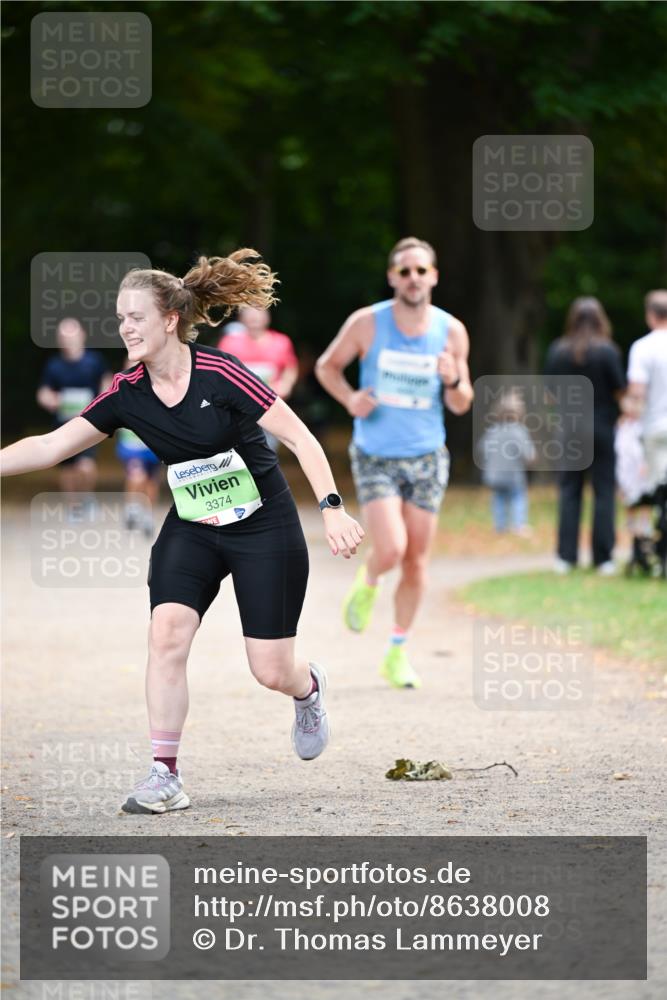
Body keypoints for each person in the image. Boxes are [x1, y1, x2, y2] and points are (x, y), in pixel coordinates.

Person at [2, 250, 364, 814]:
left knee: (270, 668)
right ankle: (164, 775)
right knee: (166, 631)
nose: (125, 328)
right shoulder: (127, 392)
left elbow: (301, 439)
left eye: (136, 317)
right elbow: (51, 445)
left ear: (170, 319)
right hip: (194, 525)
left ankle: (307, 688)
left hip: (263, 524)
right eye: (120, 318)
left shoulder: (222, 373)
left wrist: (333, 507)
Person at [316, 237, 473, 690]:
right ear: (392, 278)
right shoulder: (367, 323)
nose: (413, 278)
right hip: (376, 455)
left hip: (427, 456)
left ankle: (397, 652)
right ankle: (368, 579)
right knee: (391, 549)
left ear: (434, 277)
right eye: (404, 271)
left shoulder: (451, 331)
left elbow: (462, 403)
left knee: (417, 562)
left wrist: (454, 378)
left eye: (421, 270)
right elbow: (327, 366)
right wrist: (350, 398)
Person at [544, 297, 626, 575]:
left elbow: (549, 393)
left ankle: (566, 557)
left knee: (569, 491)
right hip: (602, 428)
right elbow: (620, 391)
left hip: (569, 429)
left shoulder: (558, 350)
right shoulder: (608, 351)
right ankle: (604, 558)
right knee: (603, 493)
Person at [36, 317, 112, 501]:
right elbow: (43, 393)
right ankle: (73, 506)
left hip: (88, 423)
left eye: (71, 335)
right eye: (63, 336)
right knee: (67, 469)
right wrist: (52, 400)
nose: (68, 339)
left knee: (86, 466)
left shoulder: (94, 360)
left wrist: (99, 401)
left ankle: (86, 497)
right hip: (62, 424)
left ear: (82, 335)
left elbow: (108, 381)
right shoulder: (53, 365)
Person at [218, 306, 299, 451]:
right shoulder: (229, 342)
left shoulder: (281, 341)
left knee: (267, 452)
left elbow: (290, 367)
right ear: (241, 319)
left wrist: (286, 384)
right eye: (250, 315)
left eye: (258, 315)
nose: (254, 319)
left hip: (270, 408)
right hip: (238, 412)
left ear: (267, 318)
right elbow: (218, 373)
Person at [477, 389, 536, 536]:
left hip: (494, 475)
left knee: (498, 499)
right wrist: (531, 460)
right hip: (514, 475)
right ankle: (518, 525)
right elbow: (528, 453)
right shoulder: (519, 431)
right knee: (518, 498)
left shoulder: (493, 431)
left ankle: (500, 527)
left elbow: (482, 448)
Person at [115, 357, 162, 537]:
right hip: (130, 445)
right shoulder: (120, 394)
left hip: (151, 446)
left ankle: (148, 514)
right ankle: (132, 506)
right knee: (136, 474)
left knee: (151, 482)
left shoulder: (158, 392)